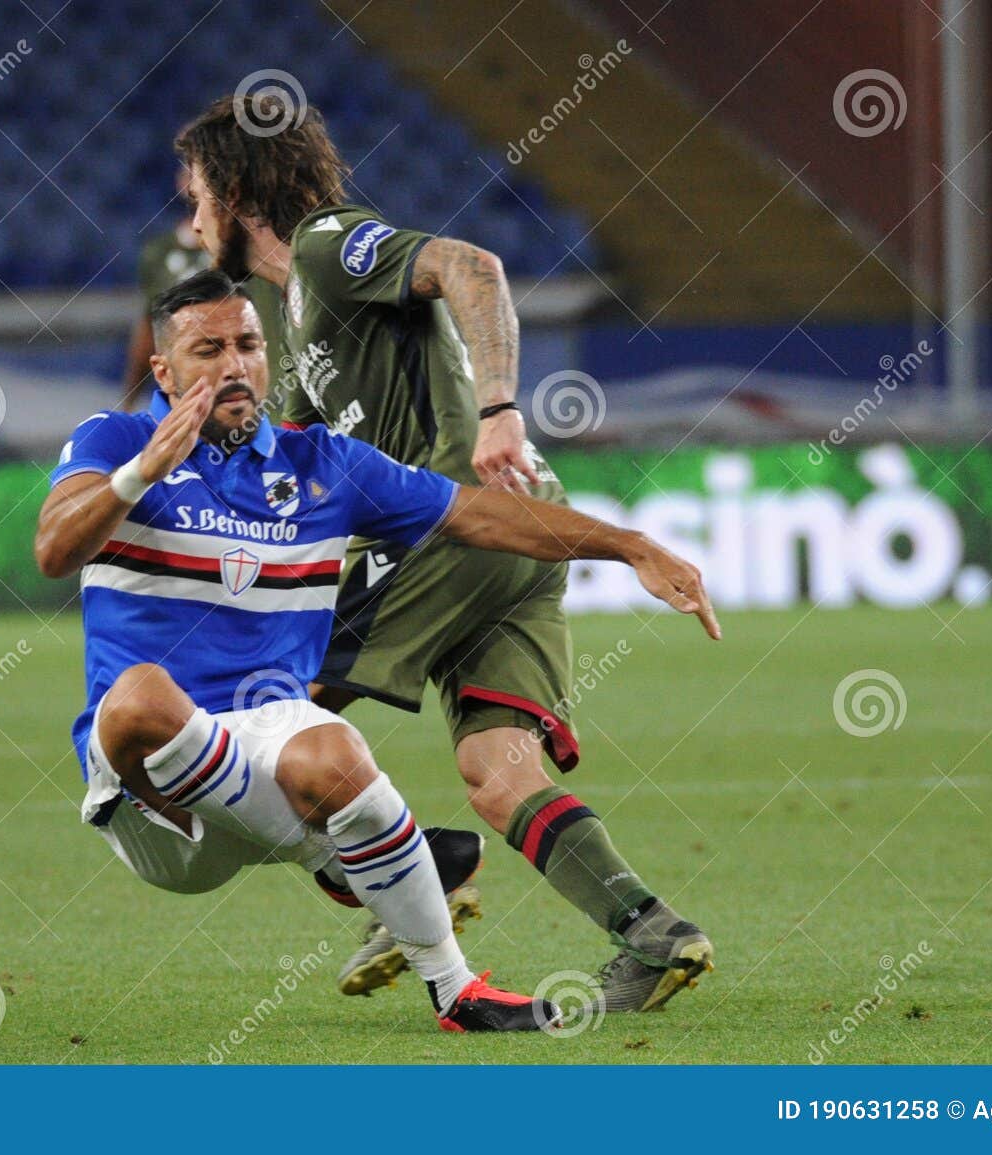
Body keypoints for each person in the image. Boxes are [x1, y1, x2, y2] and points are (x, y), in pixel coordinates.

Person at [34, 270, 718, 1030]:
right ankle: (336, 857)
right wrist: (141, 473)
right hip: (155, 805)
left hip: (267, 741)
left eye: (249, 344)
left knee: (333, 746)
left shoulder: (323, 462)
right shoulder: (114, 439)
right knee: (139, 696)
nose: (233, 364)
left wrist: (629, 545)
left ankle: (457, 991)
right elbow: (55, 551)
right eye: (208, 349)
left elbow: (480, 517)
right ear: (163, 370)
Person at [173, 96, 719, 1011]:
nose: (190, 223)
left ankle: (412, 869)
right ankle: (655, 934)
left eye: (195, 198)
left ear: (235, 191)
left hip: (458, 527)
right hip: (523, 536)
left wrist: (501, 407)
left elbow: (472, 264)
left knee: (255, 713)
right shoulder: (293, 318)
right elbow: (304, 481)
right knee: (499, 773)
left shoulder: (327, 245)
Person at [122, 169, 284, 411]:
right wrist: (129, 401)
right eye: (191, 169)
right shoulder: (158, 253)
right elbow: (150, 327)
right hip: (196, 401)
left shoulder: (262, 238)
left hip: (271, 395)